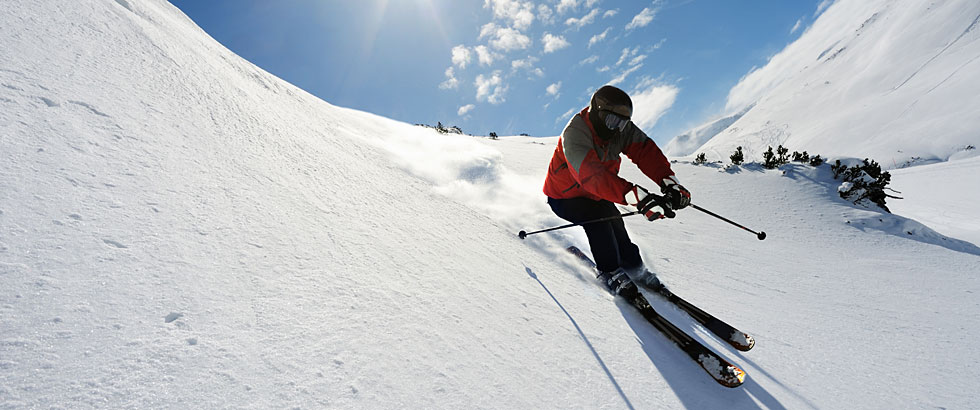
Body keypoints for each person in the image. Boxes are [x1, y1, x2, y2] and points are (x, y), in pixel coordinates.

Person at [543, 85, 691, 298]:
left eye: (622, 123)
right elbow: (590, 176)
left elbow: (645, 151)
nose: (615, 128)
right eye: (612, 121)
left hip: (597, 194)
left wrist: (669, 183)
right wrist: (638, 197)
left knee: (614, 218)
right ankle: (609, 270)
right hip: (564, 197)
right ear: (596, 112)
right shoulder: (575, 133)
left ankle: (633, 266)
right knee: (599, 218)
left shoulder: (621, 129)